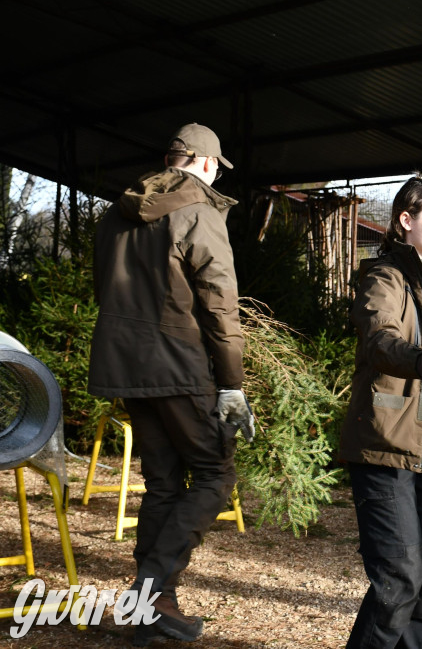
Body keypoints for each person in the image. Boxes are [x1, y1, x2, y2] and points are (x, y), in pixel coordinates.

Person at [89, 123, 254, 646]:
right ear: (206, 163)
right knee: (214, 475)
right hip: (179, 364)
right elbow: (220, 304)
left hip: (127, 366)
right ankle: (148, 589)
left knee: (163, 483)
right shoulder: (199, 212)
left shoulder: (114, 216)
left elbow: (106, 289)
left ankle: (154, 610)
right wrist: (232, 383)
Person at [339, 176, 422, 649]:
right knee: (398, 582)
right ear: (406, 221)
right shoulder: (385, 277)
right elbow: (380, 337)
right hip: (386, 446)